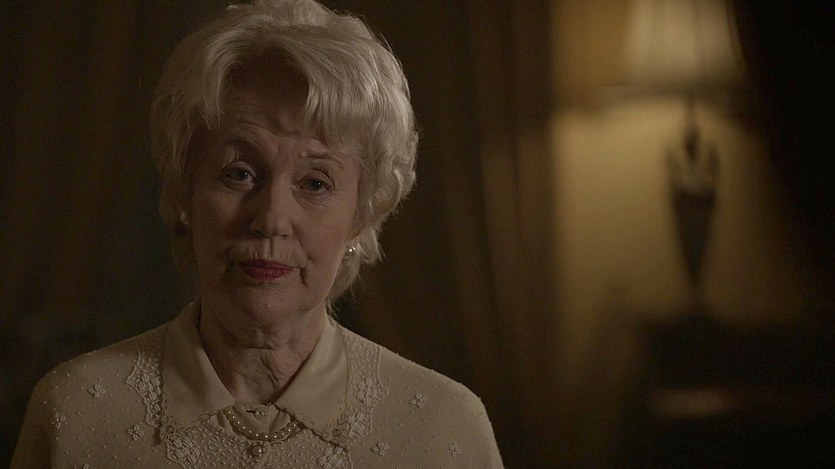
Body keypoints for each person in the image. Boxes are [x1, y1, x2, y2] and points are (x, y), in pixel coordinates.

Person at [11, 1, 503, 467]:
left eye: (315, 183)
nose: (271, 218)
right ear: (184, 192)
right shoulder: (75, 414)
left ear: (361, 214)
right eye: (240, 174)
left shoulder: (445, 430)